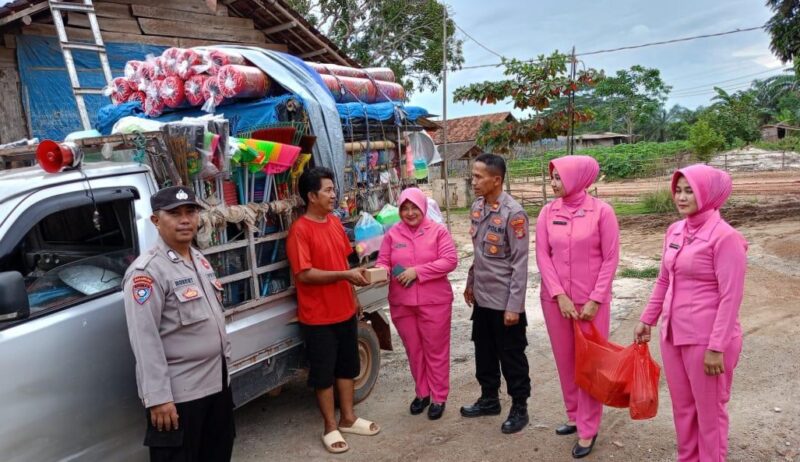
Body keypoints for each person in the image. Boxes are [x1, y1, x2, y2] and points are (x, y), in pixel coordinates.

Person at [635, 164, 747, 462]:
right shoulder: (675, 230)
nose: (681, 197)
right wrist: (648, 318)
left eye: (690, 191)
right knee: (683, 408)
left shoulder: (725, 238)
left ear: (708, 194)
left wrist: (716, 346)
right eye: (678, 190)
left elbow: (730, 297)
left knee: (709, 412)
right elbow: (663, 279)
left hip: (706, 340)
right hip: (673, 334)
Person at [122, 186, 234, 462]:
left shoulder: (198, 259)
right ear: (156, 221)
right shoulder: (146, 272)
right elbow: (144, 339)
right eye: (175, 213)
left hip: (217, 385)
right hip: (180, 396)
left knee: (218, 454)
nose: (185, 219)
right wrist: (158, 398)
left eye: (190, 212)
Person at [286, 167, 380, 454]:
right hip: (318, 317)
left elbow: (344, 262)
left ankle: (348, 417)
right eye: (327, 190)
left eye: (332, 189)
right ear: (311, 196)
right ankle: (330, 426)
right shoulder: (299, 231)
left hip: (343, 310)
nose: (333, 194)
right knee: (323, 374)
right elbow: (304, 274)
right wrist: (344, 277)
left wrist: (353, 296)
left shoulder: (335, 223)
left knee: (347, 368)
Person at [535, 155, 620, 459]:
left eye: (559, 177)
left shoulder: (602, 213)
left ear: (577, 178)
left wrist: (596, 298)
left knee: (590, 365)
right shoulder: (547, 213)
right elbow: (543, 256)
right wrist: (559, 295)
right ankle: (574, 415)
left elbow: (611, 258)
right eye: (552, 177)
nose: (553, 183)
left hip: (591, 305)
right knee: (566, 361)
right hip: (556, 302)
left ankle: (588, 428)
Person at [460, 153, 532, 434]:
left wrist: (515, 306)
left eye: (478, 176)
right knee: (484, 351)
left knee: (511, 355)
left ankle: (520, 407)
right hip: (483, 297)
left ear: (496, 180)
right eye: (473, 175)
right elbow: (480, 254)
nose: (473, 181)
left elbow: (519, 264)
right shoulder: (478, 206)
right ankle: (489, 399)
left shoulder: (514, 214)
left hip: (505, 301)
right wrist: (470, 282)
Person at [376, 188, 458, 420]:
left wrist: (417, 272)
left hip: (435, 302)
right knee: (414, 350)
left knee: (436, 350)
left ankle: (438, 396)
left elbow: (450, 261)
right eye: (405, 208)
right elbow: (383, 260)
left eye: (414, 208)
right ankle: (422, 393)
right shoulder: (393, 234)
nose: (410, 213)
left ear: (423, 207)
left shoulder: (438, 232)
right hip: (402, 304)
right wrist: (382, 270)